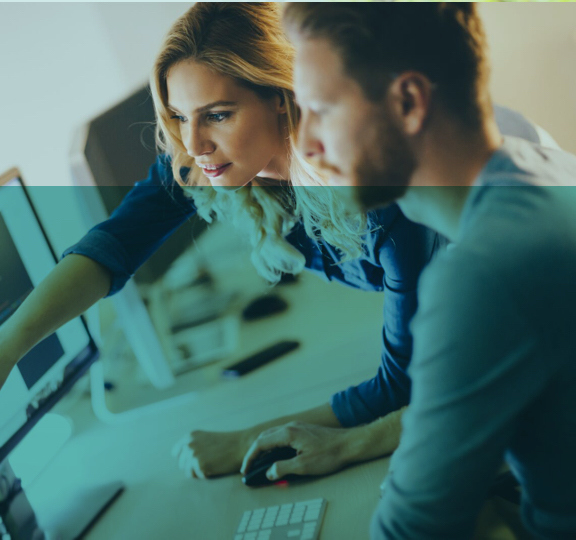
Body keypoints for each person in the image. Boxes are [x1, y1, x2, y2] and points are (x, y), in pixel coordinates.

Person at [0, 2, 550, 485]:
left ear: (282, 98)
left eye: (217, 115)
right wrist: (8, 345)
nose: (192, 145)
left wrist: (248, 440)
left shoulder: (380, 181)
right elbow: (112, 245)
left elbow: (405, 384)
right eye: (177, 117)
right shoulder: (211, 157)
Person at [283, 2, 576, 539]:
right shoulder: (545, 170)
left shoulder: (484, 271)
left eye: (321, 109)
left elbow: (410, 532)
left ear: (409, 102)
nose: (303, 144)